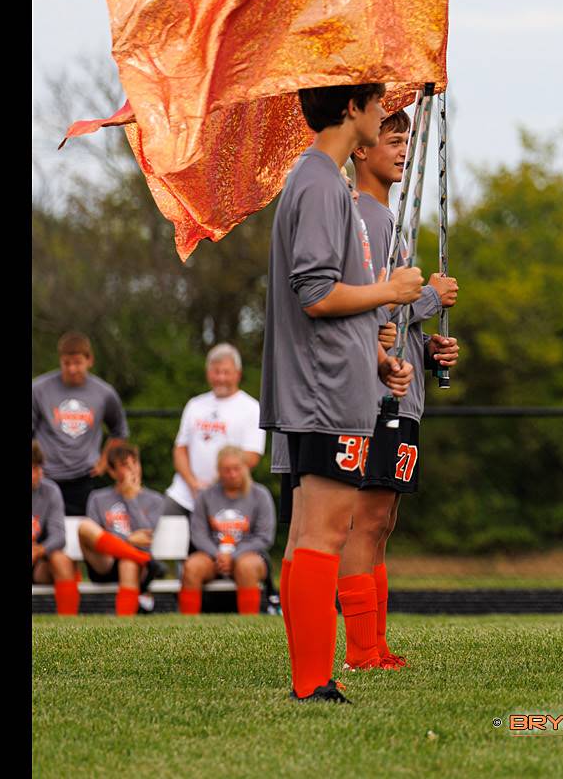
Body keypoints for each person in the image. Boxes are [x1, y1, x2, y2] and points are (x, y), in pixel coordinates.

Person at [262, 81, 421, 703]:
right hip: (324, 389)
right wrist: (395, 291)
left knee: (308, 532)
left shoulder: (318, 178)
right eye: (379, 105)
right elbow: (317, 292)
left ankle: (312, 676)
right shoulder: (323, 181)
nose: (385, 116)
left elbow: (335, 297)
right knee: (325, 533)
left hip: (334, 378)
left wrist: (379, 357)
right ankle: (313, 682)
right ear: (352, 110)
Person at [348, 107, 461, 668]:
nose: (402, 151)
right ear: (360, 149)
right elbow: (361, 309)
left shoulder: (390, 222)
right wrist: (432, 298)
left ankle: (377, 641)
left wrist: (429, 344)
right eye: (392, 141)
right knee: (365, 519)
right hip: (372, 398)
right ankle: (360, 648)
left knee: (383, 520)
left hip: (404, 394)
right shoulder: (363, 217)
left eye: (407, 142)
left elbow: (394, 325)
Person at [32, 331, 129, 516]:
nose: (72, 369)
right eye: (66, 363)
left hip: (84, 478)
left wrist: (103, 462)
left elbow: (120, 431)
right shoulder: (38, 390)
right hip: (46, 477)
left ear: (89, 360)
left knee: (82, 534)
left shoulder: (105, 393)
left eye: (77, 363)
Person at [179, 445, 278, 615]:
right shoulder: (206, 496)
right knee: (191, 566)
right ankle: (186, 626)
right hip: (213, 556)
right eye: (226, 470)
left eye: (236, 469)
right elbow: (199, 534)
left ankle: (249, 626)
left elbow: (264, 537)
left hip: (249, 554)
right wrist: (218, 554)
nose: (232, 474)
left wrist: (234, 555)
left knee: (246, 566)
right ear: (218, 471)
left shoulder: (260, 495)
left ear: (245, 468)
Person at [166, 343, 265, 514]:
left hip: (226, 499)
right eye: (216, 371)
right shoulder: (195, 404)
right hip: (183, 496)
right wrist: (193, 483)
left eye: (226, 372)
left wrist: (213, 486)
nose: (220, 378)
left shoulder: (252, 408)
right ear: (208, 373)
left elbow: (251, 457)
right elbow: (180, 449)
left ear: (238, 374)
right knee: (164, 536)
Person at [78, 442, 168, 618]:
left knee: (128, 562)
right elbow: (95, 536)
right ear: (112, 472)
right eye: (125, 466)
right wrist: (127, 539)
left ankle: (124, 622)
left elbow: (145, 534)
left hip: (135, 563)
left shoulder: (154, 499)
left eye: (135, 463)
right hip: (105, 561)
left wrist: (130, 497)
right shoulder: (98, 498)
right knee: (84, 526)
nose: (133, 470)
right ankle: (146, 561)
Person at [33, 441, 78, 615]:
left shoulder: (50, 491)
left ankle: (69, 625)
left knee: (60, 559)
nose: (37, 473)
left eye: (37, 468)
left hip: (39, 565)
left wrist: (39, 550)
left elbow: (59, 536)